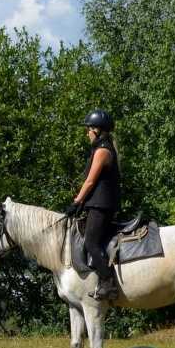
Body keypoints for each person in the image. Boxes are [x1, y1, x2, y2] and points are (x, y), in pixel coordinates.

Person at [64, 110, 121, 301]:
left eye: (89, 129)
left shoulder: (103, 151)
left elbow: (90, 181)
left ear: (98, 130)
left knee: (91, 242)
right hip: (97, 203)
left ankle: (108, 284)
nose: (87, 133)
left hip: (101, 205)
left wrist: (76, 202)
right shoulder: (101, 149)